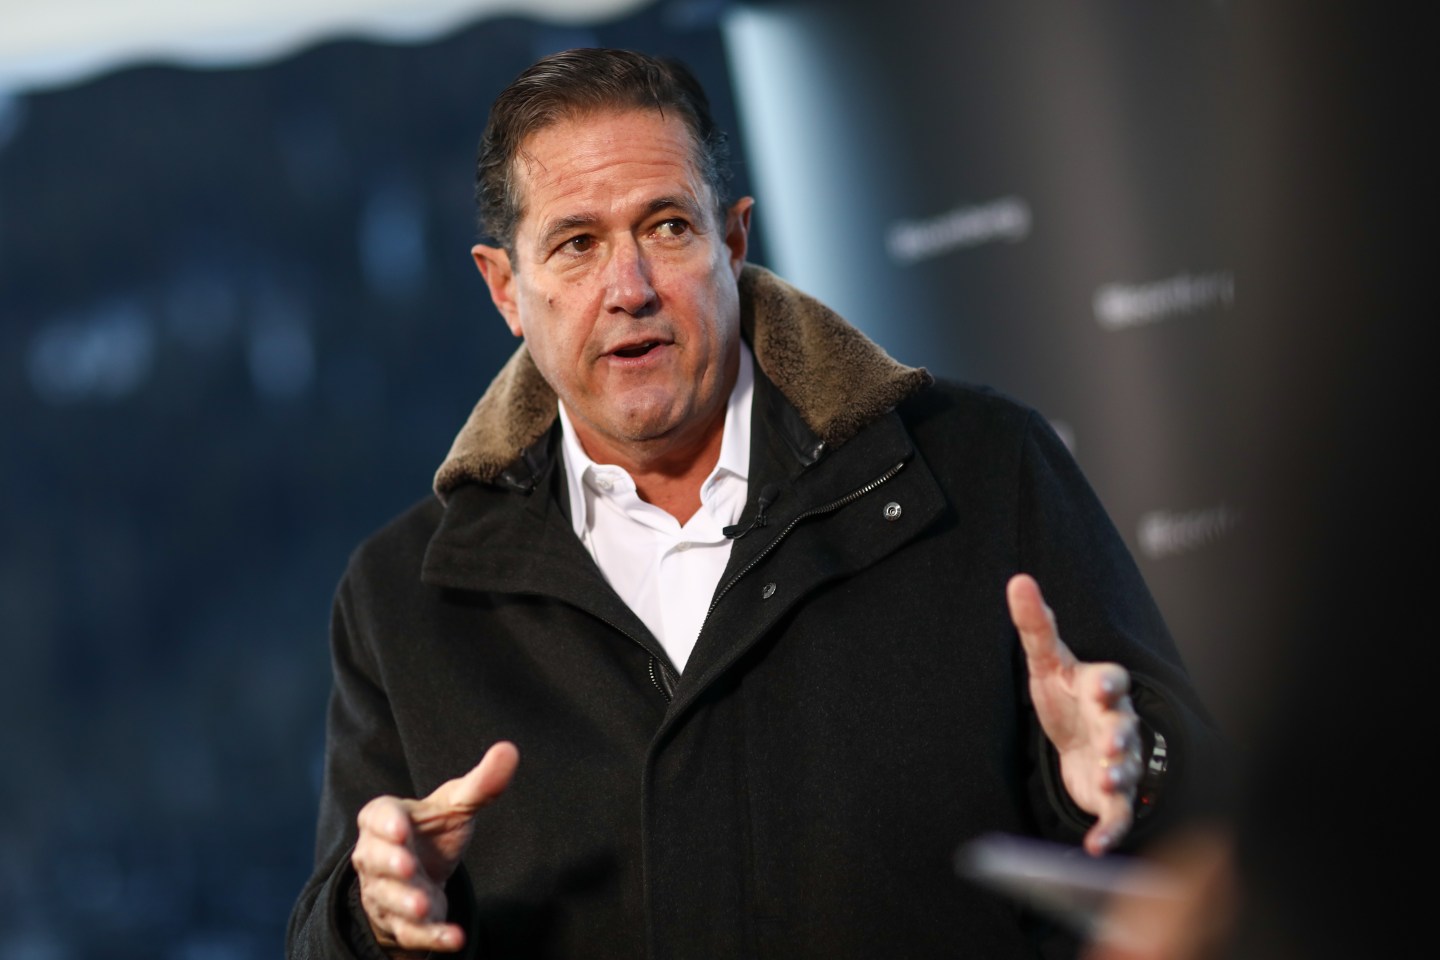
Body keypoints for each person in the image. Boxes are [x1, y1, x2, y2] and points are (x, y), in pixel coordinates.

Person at [286, 48, 1225, 960]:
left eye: (666, 227)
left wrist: (1125, 772)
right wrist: (377, 923)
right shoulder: (401, 599)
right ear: (506, 291)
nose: (629, 290)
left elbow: (1200, 826)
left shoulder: (984, 469)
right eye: (576, 245)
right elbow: (333, 932)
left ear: (733, 241)